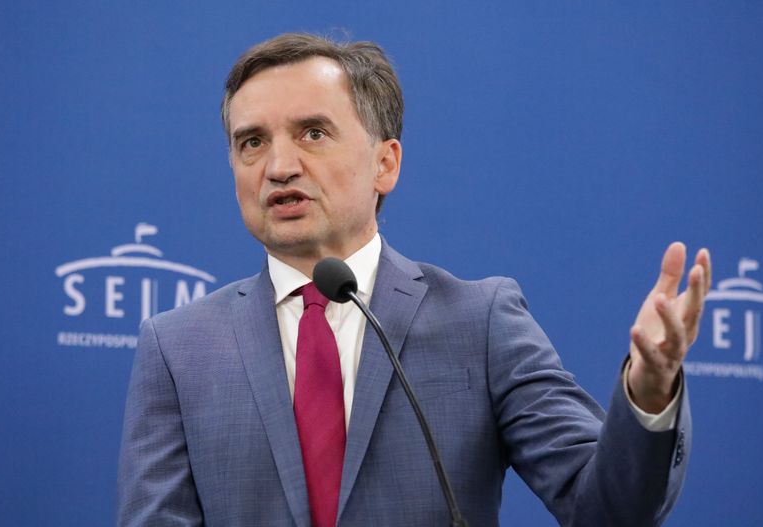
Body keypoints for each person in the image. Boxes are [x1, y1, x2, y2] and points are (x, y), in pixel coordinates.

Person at [117, 32, 712, 527]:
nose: (279, 166)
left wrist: (649, 390)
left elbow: (608, 509)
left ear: (385, 163)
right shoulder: (178, 347)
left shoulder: (480, 323)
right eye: (252, 142)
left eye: (312, 133)